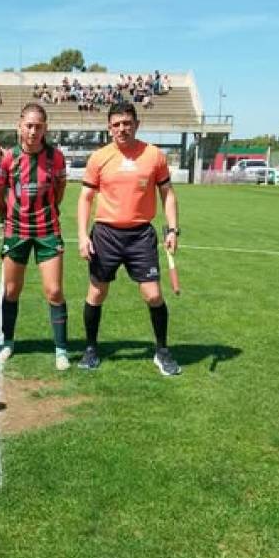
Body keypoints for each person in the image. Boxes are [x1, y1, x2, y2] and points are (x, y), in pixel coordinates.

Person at [77, 102, 181, 376]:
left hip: (140, 236)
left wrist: (172, 229)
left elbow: (167, 194)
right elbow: (86, 197)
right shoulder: (99, 158)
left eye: (127, 123)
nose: (122, 129)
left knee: (154, 294)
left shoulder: (154, 155)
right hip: (106, 234)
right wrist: (81, 236)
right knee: (97, 294)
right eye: (116, 124)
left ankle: (162, 351)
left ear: (136, 123)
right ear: (109, 128)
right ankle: (90, 349)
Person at [0, 103, 70, 370]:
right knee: (12, 290)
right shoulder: (8, 158)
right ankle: (8, 342)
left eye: (39, 126)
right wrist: (7, 215)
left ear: (45, 128)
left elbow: (60, 189)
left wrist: (49, 210)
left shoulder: (56, 157)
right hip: (16, 230)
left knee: (54, 290)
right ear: (19, 126)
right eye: (29, 125)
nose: (33, 131)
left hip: (48, 230)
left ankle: (61, 349)